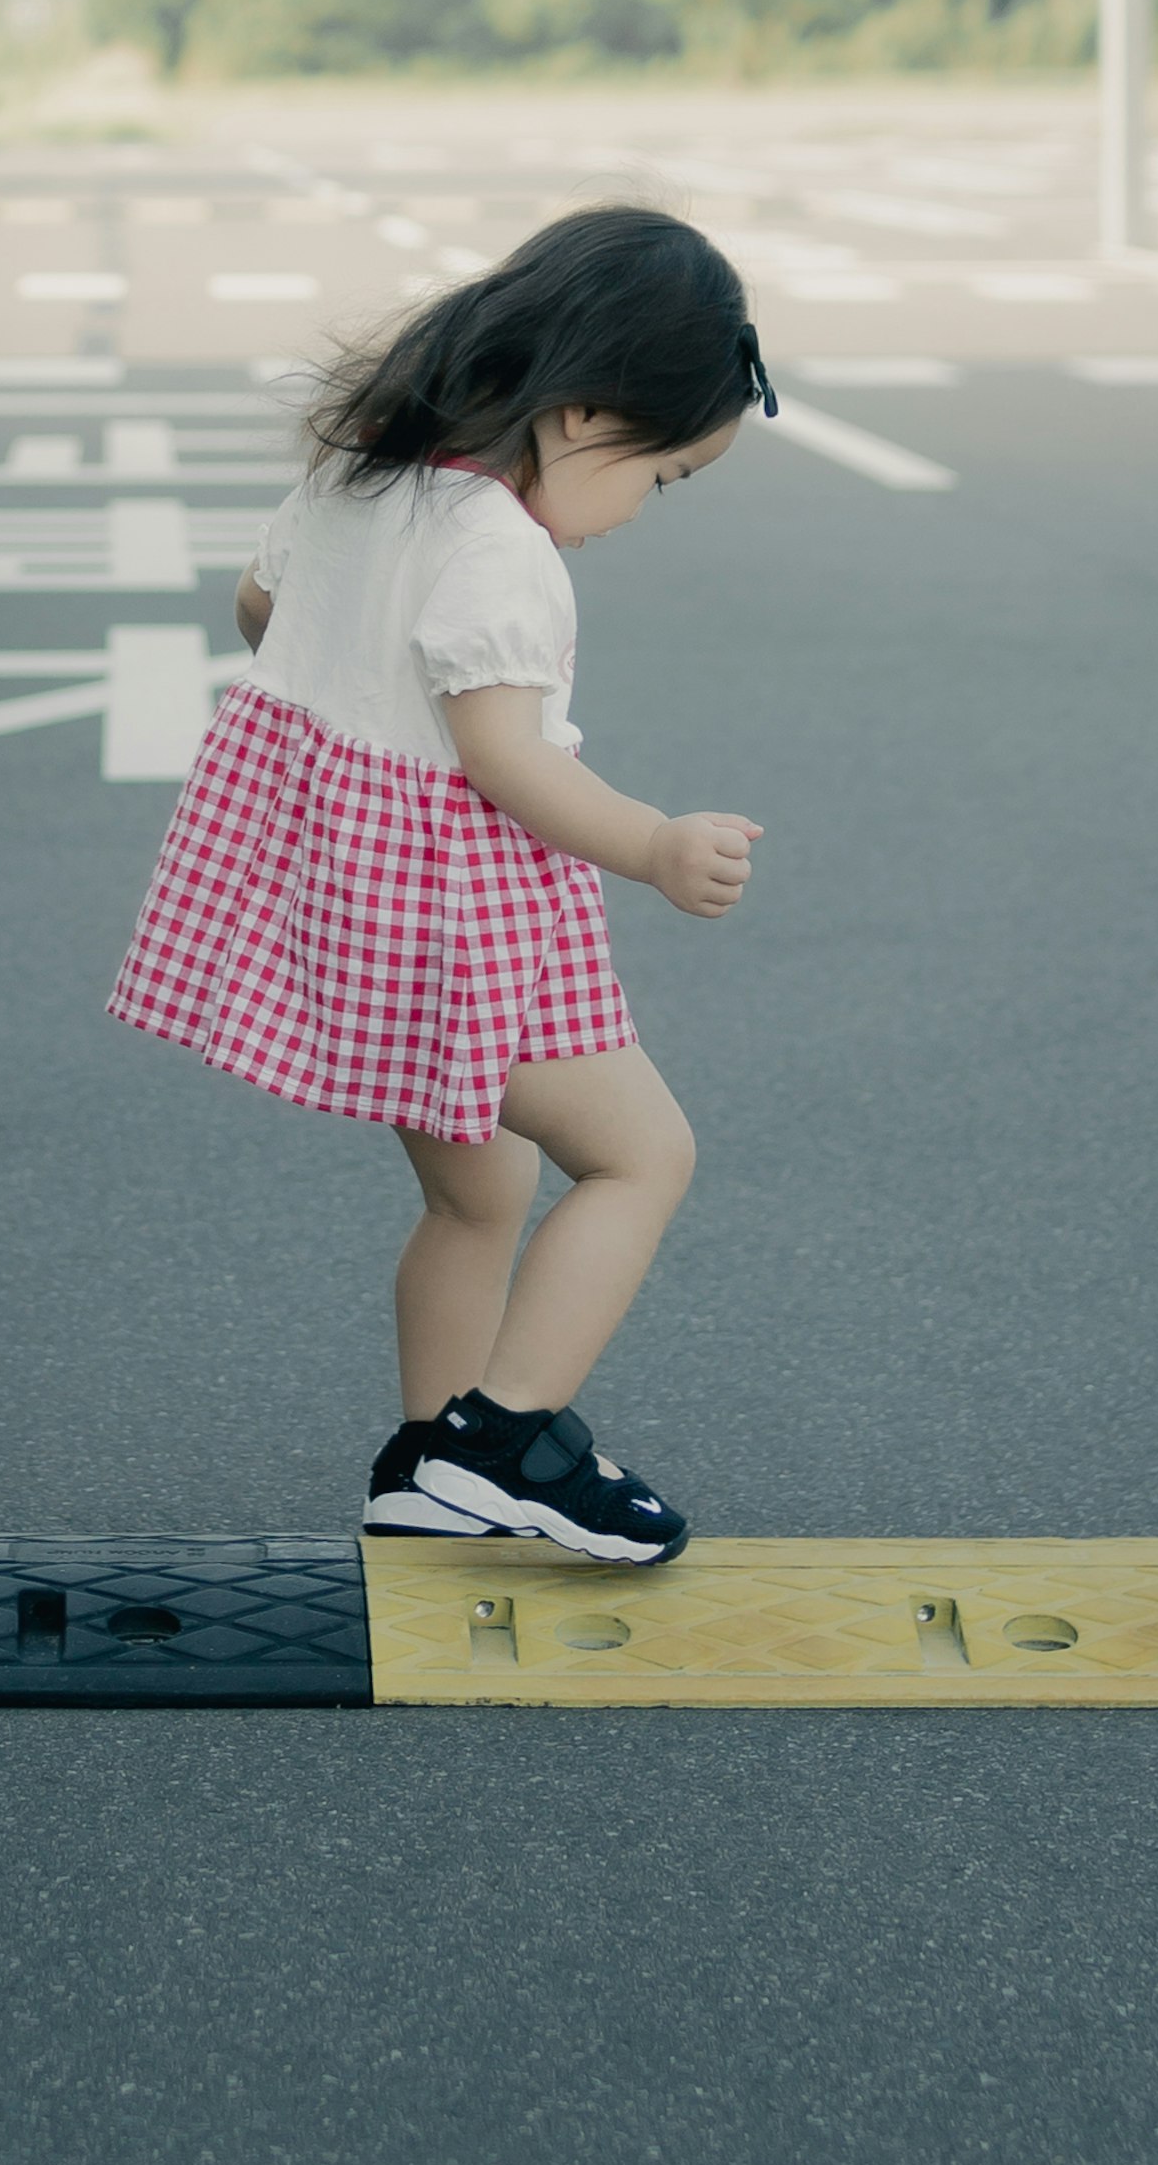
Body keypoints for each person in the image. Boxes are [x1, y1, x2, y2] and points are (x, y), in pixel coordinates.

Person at [107, 205, 774, 1561]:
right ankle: (507, 1439)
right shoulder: (502, 549)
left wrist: (355, 673)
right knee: (643, 1156)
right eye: (664, 475)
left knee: (478, 1194)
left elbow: (258, 607)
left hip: (343, 901)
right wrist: (652, 843)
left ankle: (427, 1471)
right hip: (452, 928)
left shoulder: (365, 480)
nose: (643, 511)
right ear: (585, 416)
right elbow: (506, 756)